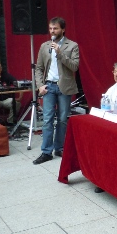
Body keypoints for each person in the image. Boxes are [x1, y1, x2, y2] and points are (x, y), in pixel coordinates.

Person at [33, 17, 79, 165]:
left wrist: (60, 53)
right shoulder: (44, 46)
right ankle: (46, 152)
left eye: (56, 29)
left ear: (63, 29)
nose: (52, 31)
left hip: (64, 87)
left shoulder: (72, 45)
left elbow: (74, 66)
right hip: (49, 87)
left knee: (62, 119)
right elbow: (39, 67)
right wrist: (40, 85)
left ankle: (59, 147)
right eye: (51, 29)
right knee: (47, 120)